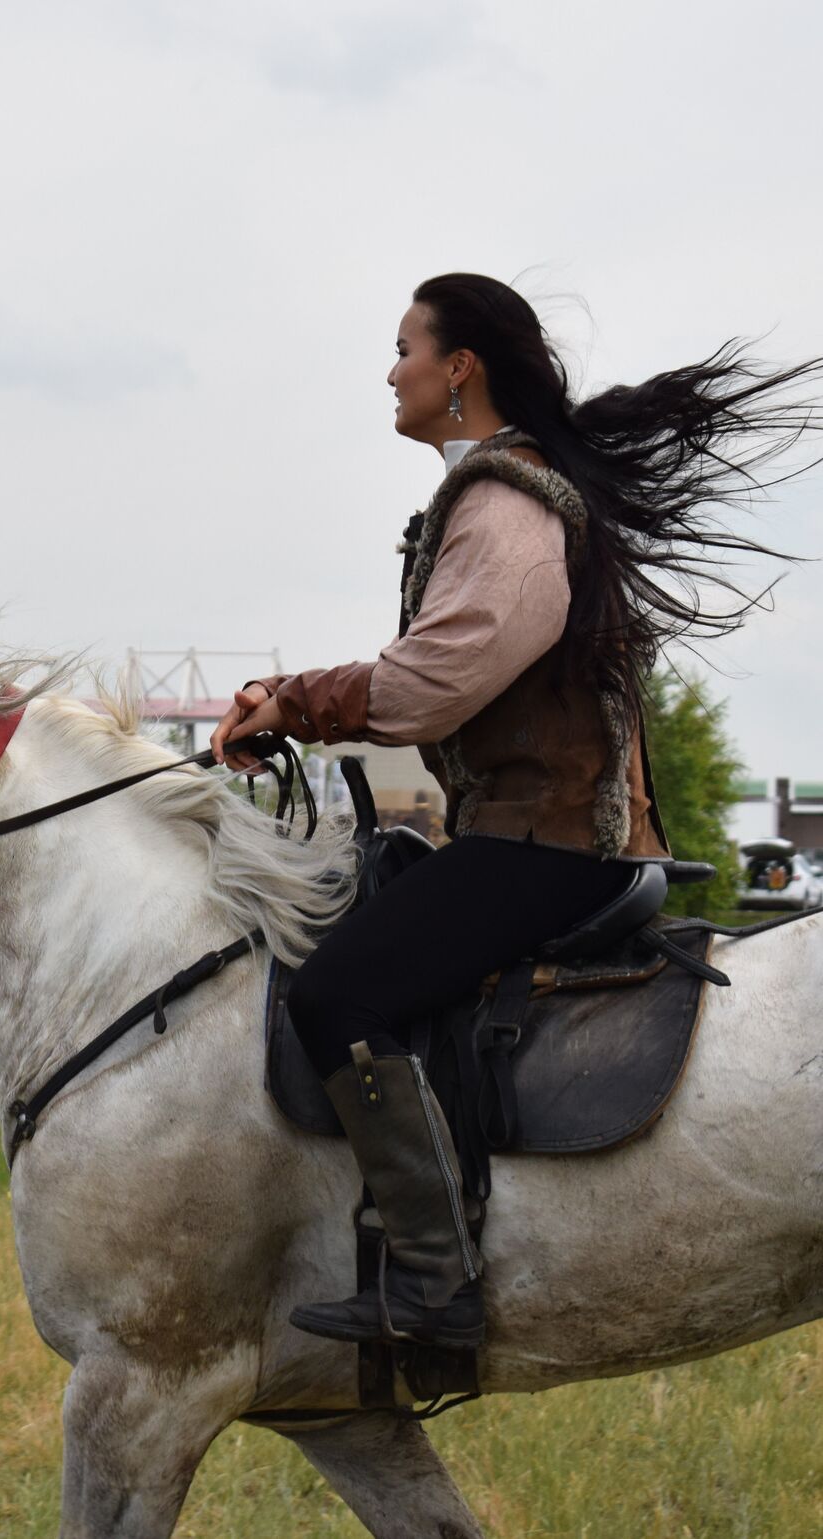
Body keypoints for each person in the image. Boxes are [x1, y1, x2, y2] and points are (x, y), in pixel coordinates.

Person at [212, 273, 820, 1351]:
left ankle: (434, 1281)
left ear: (458, 369)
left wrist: (295, 700)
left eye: (402, 348)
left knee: (334, 995)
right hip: (524, 834)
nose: (388, 371)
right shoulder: (496, 496)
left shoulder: (506, 505)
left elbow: (431, 680)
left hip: (547, 844)